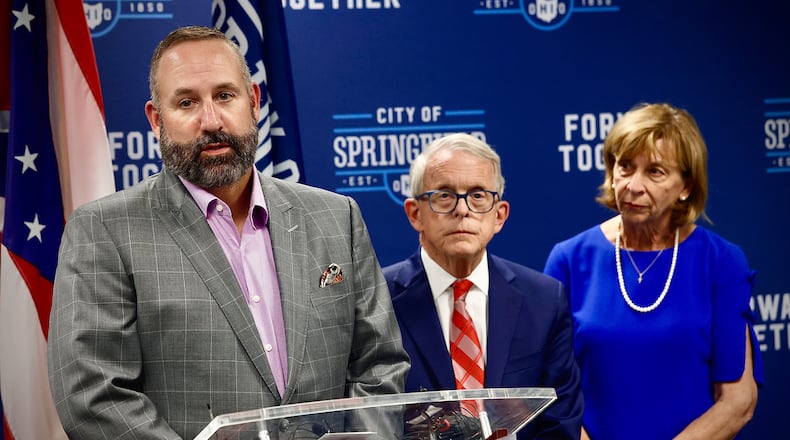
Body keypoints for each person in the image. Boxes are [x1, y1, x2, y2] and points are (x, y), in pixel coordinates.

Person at [47, 25, 410, 439]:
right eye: (187, 102)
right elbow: (94, 396)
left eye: (224, 95)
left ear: (253, 101)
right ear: (156, 119)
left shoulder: (336, 216)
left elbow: (380, 365)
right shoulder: (105, 230)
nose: (211, 120)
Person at [543, 102, 763, 440]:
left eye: (655, 172)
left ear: (685, 186)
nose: (633, 185)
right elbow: (553, 394)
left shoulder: (721, 261)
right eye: (625, 166)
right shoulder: (569, 259)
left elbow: (738, 401)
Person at [383, 133, 583, 439]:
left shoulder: (544, 301)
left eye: (478, 195)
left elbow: (559, 425)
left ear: (499, 215)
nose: (462, 210)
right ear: (415, 214)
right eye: (444, 195)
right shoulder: (378, 300)